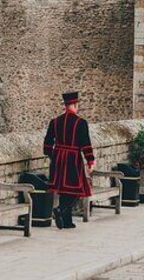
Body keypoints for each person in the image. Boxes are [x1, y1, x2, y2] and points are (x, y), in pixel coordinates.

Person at [43, 91, 94, 229]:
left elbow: (47, 142)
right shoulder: (81, 123)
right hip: (72, 158)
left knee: (64, 190)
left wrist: (52, 155)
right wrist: (90, 161)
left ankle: (67, 221)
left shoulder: (55, 122)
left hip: (58, 158)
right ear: (76, 104)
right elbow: (86, 144)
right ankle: (59, 209)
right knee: (77, 190)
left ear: (65, 105)